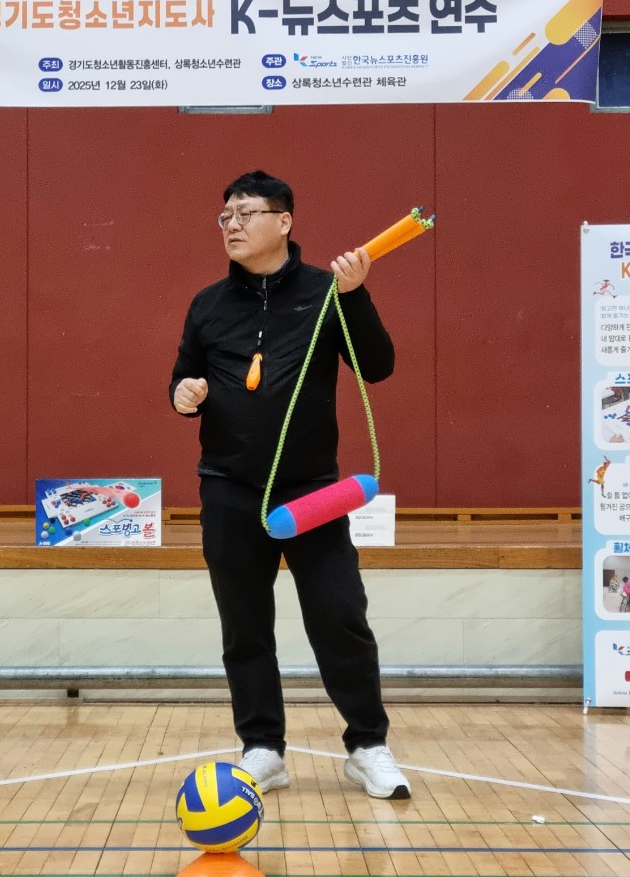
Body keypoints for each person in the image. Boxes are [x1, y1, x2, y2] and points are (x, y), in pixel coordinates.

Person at [169, 170, 410, 800]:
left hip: (311, 493)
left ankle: (368, 745)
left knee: (340, 616)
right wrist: (184, 394)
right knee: (244, 627)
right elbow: (182, 378)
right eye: (225, 216)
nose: (232, 225)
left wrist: (355, 295)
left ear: (284, 222)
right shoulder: (207, 305)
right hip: (228, 488)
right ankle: (263, 749)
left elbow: (378, 367)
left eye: (246, 213)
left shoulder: (326, 292)